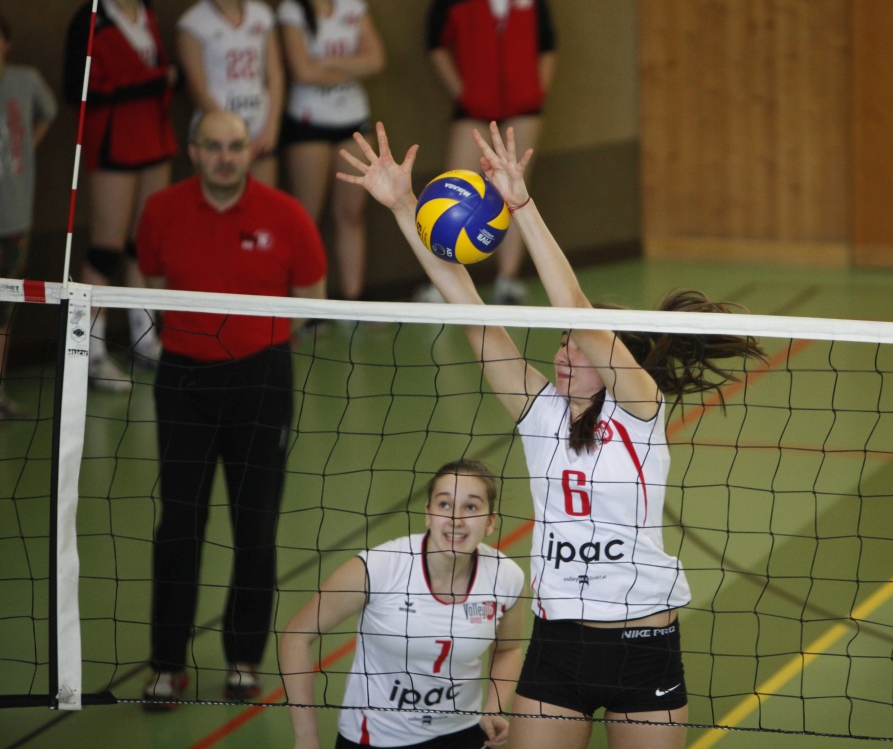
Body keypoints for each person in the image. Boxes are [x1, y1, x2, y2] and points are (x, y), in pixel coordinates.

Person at [339, 121, 766, 749]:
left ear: (617, 360)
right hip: (558, 646)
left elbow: (577, 308)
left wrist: (522, 205)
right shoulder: (540, 413)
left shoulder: (639, 413)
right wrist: (405, 207)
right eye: (562, 343)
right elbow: (467, 305)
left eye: (579, 347)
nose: (564, 353)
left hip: (643, 646)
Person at [136, 110, 327, 708]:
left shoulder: (286, 214)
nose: (225, 157)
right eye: (213, 146)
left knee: (256, 525)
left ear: (251, 151)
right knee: (179, 524)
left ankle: (244, 658)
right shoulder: (161, 210)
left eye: (236, 146)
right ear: (193, 151)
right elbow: (149, 279)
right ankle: (166, 666)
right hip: (183, 382)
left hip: (261, 381)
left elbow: (313, 296)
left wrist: (256, 343)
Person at [280, 459, 525, 749]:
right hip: (377, 738)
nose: (455, 518)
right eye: (444, 504)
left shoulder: (505, 577)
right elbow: (296, 636)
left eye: (470, 507)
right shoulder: (379, 568)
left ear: (490, 522)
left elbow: (509, 648)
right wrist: (306, 739)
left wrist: (494, 707)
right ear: (428, 514)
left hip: (464, 732)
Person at [63, 0, 176, 390]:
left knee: (142, 244)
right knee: (106, 250)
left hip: (154, 138)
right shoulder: (91, 18)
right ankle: (89, 354)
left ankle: (145, 340)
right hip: (114, 142)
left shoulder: (147, 10)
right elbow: (78, 88)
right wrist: (153, 81)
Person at [425, 0, 556, 305]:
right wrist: (461, 91)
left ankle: (507, 279)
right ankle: (445, 283)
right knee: (453, 189)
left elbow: (547, 46)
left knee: (516, 191)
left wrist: (537, 91)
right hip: (473, 110)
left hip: (523, 111)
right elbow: (435, 44)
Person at [278, 0, 384, 303]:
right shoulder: (291, 10)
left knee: (351, 214)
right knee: (307, 218)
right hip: (309, 123)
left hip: (352, 120)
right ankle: (309, 306)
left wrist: (325, 63)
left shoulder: (353, 5)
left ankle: (354, 302)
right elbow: (303, 71)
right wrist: (351, 65)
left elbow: (376, 60)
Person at [177, 0, 285, 186]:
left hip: (260, 130)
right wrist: (233, 138)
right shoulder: (193, 22)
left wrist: (271, 128)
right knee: (215, 204)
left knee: (261, 205)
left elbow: (275, 75)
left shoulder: (262, 14)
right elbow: (197, 89)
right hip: (217, 136)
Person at [0, 12, 57, 421]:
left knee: (4, 313)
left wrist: (28, 148)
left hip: (14, 220)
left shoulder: (26, 80)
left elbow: (49, 111)